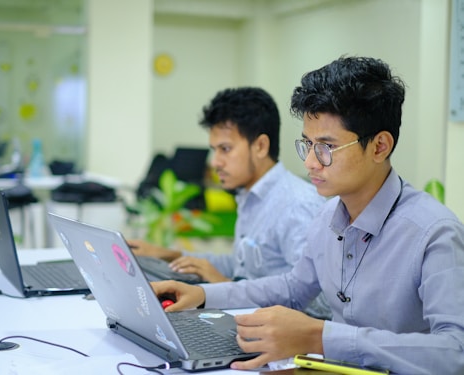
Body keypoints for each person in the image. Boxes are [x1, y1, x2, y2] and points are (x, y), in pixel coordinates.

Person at [151, 56, 464, 375]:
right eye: (307, 145)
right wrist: (204, 294)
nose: (311, 162)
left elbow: (455, 353)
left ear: (380, 146)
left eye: (327, 147)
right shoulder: (329, 215)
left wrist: (321, 337)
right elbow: (291, 287)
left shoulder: (434, 232)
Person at [129, 87, 330, 318]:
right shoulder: (249, 196)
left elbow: (321, 303)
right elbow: (242, 265)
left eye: (225, 149)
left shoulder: (297, 205)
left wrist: (224, 285)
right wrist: (169, 255)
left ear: (261, 146)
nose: (215, 162)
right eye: (214, 150)